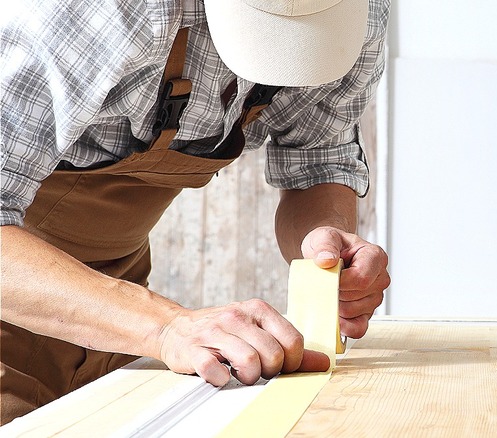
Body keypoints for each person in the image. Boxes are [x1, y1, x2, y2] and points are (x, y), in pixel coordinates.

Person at [0, 0, 391, 424]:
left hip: (119, 316)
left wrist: (324, 242)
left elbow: (315, 157)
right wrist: (166, 327)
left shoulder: (358, 14)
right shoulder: (94, 12)